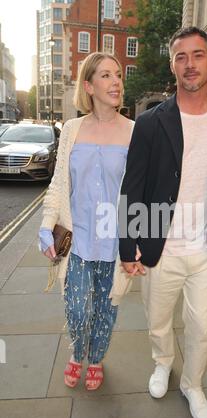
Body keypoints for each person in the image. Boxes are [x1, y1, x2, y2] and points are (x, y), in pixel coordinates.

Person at [119, 27, 207, 418]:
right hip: (162, 247)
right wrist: (129, 244)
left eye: (198, 55)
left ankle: (192, 383)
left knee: (202, 327)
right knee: (158, 321)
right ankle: (163, 362)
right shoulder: (151, 123)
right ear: (173, 65)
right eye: (181, 57)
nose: (190, 64)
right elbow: (132, 186)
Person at [39, 52, 134, 391]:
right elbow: (59, 184)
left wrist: (138, 241)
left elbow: (140, 194)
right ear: (90, 85)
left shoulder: (135, 132)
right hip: (77, 240)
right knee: (78, 310)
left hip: (114, 242)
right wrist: (46, 224)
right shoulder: (72, 130)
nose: (116, 82)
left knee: (106, 309)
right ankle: (77, 352)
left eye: (119, 75)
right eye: (106, 76)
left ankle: (96, 359)